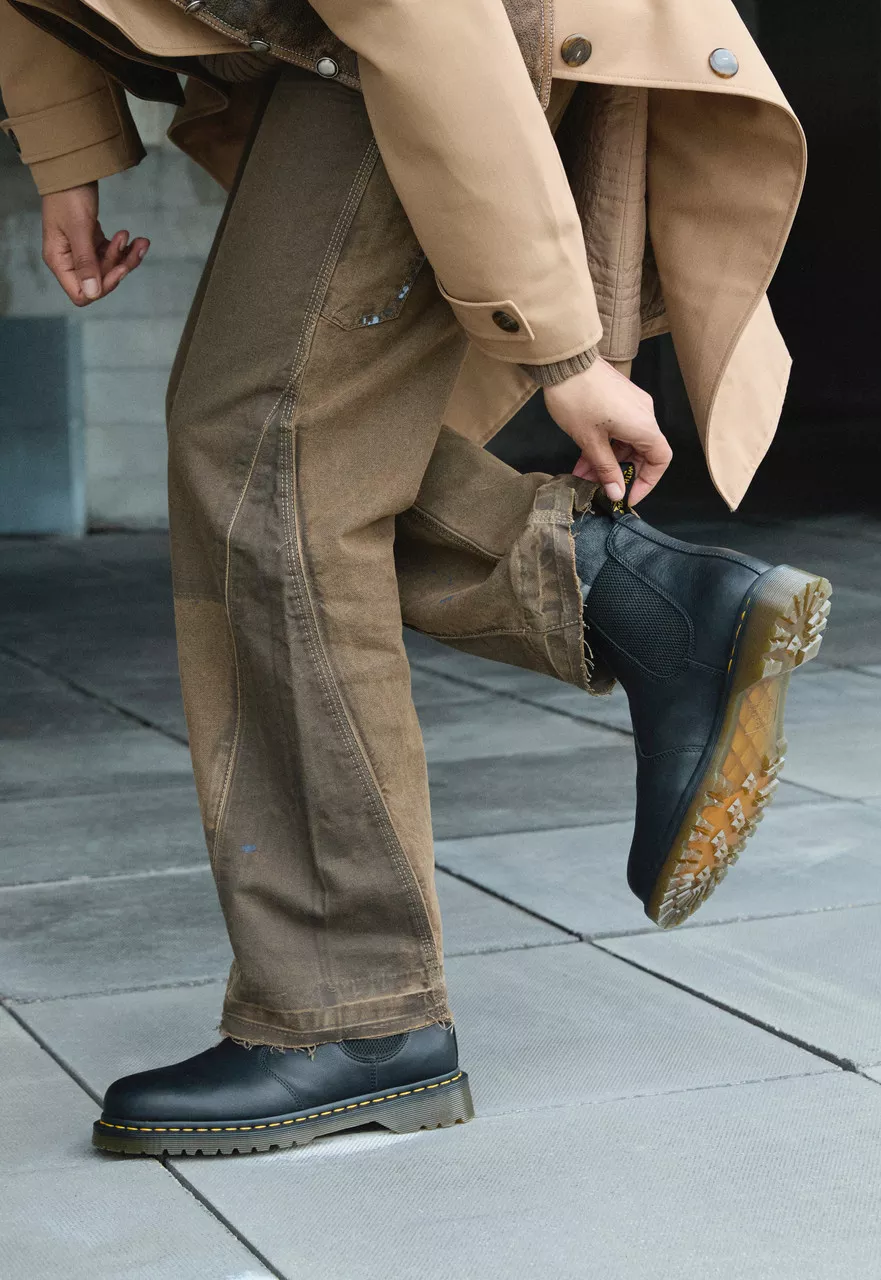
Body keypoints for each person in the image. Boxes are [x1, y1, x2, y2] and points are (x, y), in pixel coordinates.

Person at [0, 0, 831, 1156]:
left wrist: (564, 350)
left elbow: (418, 12)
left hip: (438, 37)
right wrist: (66, 158)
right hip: (345, 49)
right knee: (275, 462)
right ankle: (646, 605)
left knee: (260, 452)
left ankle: (352, 1009)